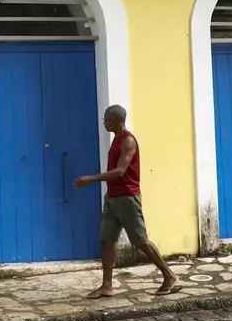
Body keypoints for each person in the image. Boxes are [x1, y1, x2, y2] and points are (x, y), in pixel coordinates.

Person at [74, 105, 179, 298]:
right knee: (106, 240)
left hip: (127, 198)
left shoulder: (128, 141)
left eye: (107, 119)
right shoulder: (116, 140)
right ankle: (107, 286)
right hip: (112, 198)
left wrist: (91, 178)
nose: (104, 123)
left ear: (118, 119)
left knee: (140, 241)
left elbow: (120, 171)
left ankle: (169, 275)